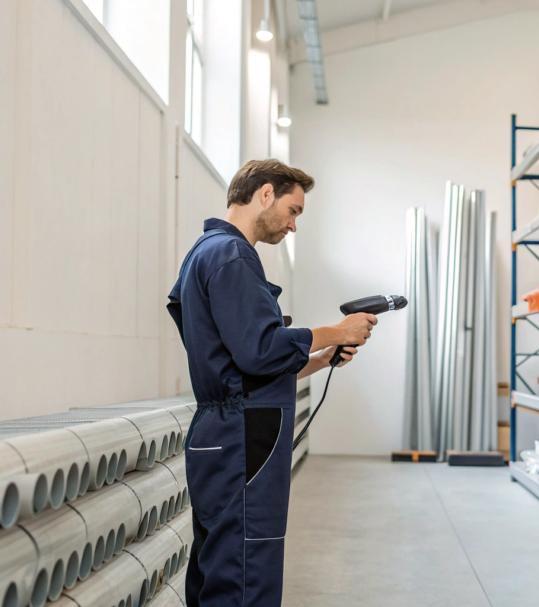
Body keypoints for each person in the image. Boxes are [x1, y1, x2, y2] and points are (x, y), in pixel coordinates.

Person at [166, 159, 376, 606]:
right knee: (245, 569)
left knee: (219, 565)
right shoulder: (232, 254)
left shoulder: (204, 253)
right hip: (244, 437)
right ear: (265, 194)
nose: (293, 225)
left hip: (223, 430)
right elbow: (260, 348)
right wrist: (338, 331)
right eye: (294, 210)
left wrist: (318, 359)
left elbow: (244, 364)